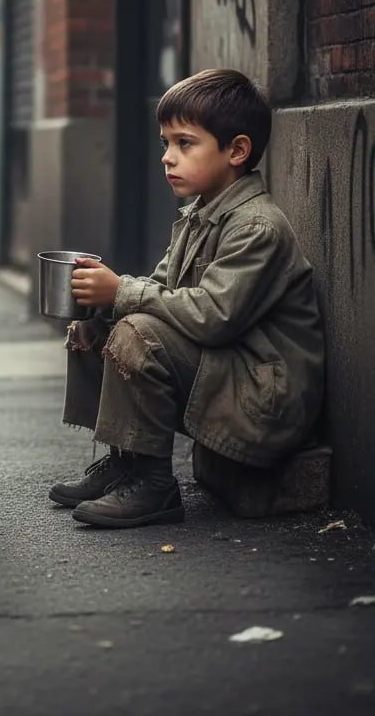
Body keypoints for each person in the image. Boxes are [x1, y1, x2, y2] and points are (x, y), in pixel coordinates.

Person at [51, 69, 324, 529]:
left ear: (236, 150)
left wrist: (123, 291)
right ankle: (125, 460)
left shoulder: (256, 226)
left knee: (138, 332)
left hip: (264, 398)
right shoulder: (200, 214)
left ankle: (154, 486)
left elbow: (214, 317)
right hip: (226, 370)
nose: (167, 158)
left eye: (184, 144)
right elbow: (162, 289)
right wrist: (104, 297)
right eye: (165, 144)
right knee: (95, 321)